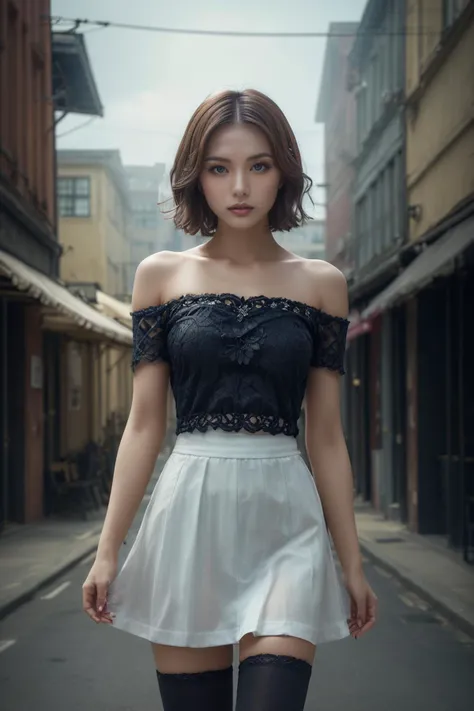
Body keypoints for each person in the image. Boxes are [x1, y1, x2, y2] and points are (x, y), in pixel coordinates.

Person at [82, 88, 377, 710]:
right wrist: (108, 550)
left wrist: (350, 562)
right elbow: (143, 425)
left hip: (288, 523)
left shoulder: (323, 285)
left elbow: (325, 436)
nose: (240, 186)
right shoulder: (160, 275)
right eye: (220, 167)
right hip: (189, 518)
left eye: (259, 166)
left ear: (284, 173)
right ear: (198, 177)